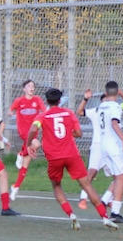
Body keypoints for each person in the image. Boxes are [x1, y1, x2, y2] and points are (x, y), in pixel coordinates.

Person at [25, 88, 116, 231]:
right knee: (86, 185)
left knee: (56, 186)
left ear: (47, 101)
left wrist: (29, 144)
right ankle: (105, 217)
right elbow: (79, 133)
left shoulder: (42, 116)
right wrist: (68, 134)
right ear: (60, 100)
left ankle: (71, 215)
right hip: (71, 155)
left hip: (54, 157)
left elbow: (32, 130)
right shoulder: (69, 113)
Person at [76, 87, 123, 210]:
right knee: (93, 172)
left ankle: (105, 199)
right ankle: (83, 198)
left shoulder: (110, 108)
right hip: (101, 145)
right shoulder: (99, 110)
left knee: (118, 177)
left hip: (106, 145)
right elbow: (80, 112)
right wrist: (85, 99)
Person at [97, 81, 123, 224]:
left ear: (105, 93)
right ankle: (115, 212)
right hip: (114, 147)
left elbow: (109, 127)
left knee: (121, 176)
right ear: (117, 92)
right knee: (121, 178)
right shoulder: (115, 107)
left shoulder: (101, 106)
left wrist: (122, 136)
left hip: (105, 145)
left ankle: (104, 201)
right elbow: (114, 124)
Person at [9, 79, 46, 201]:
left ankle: (15, 187)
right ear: (24, 89)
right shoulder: (19, 100)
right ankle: (21, 154)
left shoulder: (37, 100)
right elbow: (11, 109)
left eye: (33, 86)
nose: (31, 87)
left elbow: (44, 111)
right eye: (29, 85)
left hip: (34, 132)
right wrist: (10, 112)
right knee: (37, 144)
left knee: (27, 161)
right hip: (24, 132)